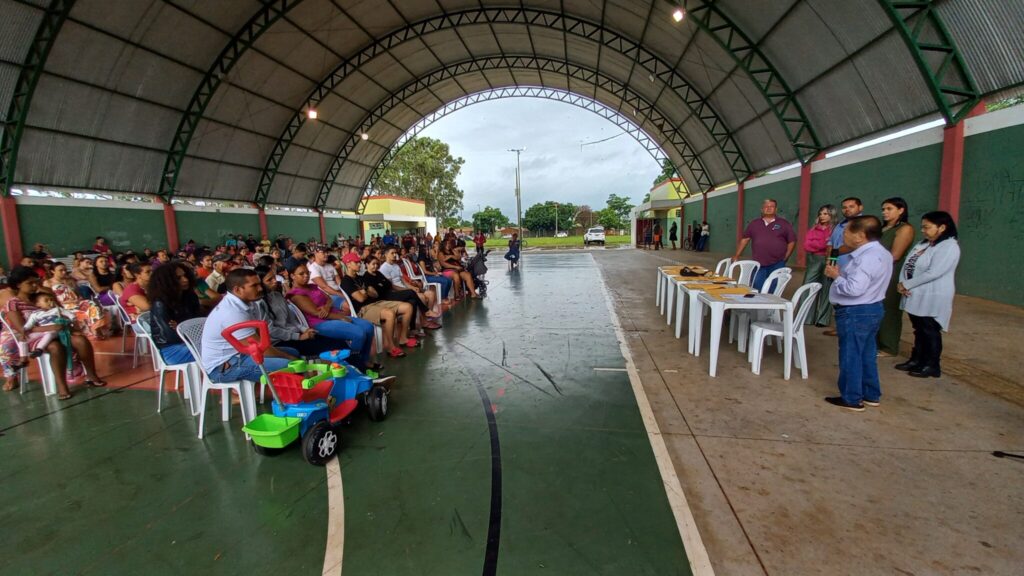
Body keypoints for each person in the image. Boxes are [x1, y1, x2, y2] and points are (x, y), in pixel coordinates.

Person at [0, 266, 107, 398]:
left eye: (36, 282)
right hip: (32, 337)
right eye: (30, 283)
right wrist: (50, 328)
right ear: (18, 285)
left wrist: (70, 327)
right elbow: (22, 328)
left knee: (81, 340)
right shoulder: (13, 303)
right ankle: (63, 386)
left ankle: (91, 375)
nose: (35, 286)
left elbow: (59, 313)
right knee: (55, 347)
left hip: (57, 332)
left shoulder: (41, 299)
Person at [822, 215, 892, 412]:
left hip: (856, 311)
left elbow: (854, 289)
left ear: (860, 235)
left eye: (846, 232)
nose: (843, 236)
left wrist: (836, 276)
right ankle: (871, 394)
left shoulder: (866, 258)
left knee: (851, 355)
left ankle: (852, 398)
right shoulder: (882, 253)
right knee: (867, 354)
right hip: (872, 308)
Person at [200, 269, 300, 385]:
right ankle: (290, 399)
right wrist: (288, 358)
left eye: (259, 284)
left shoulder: (249, 303)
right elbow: (258, 347)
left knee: (293, 352)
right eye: (254, 286)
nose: (260, 288)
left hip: (240, 355)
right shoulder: (232, 312)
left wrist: (288, 355)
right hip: (224, 368)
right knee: (289, 366)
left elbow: (259, 338)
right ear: (237, 290)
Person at [895, 211, 961, 378]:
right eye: (922, 227)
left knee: (930, 329)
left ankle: (931, 364)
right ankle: (917, 359)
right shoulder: (925, 244)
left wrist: (907, 284)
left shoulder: (949, 247)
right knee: (919, 328)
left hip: (933, 294)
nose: (923, 230)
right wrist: (902, 282)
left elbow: (934, 272)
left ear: (942, 227)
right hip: (914, 292)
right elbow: (909, 264)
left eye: (927, 227)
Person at [284, 260, 377, 367]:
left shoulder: (311, 286)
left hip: (332, 315)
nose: (306, 276)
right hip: (319, 322)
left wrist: (327, 307)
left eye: (307, 273)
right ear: (292, 276)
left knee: (368, 327)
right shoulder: (296, 294)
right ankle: (355, 365)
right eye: (301, 274)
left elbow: (329, 299)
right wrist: (340, 317)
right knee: (358, 334)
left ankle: (363, 360)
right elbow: (317, 313)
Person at [339, 253, 413, 358]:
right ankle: (390, 347)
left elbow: (375, 294)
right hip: (363, 309)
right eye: (356, 262)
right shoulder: (346, 281)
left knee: (408, 307)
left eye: (359, 262)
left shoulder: (361, 278)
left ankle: (403, 338)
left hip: (376, 302)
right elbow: (360, 299)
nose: (359, 264)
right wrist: (366, 291)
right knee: (389, 314)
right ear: (348, 264)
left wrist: (365, 292)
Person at [877, 198, 915, 357]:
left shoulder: (904, 229)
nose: (885, 212)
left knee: (889, 307)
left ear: (901, 210)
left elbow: (895, 255)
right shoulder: (883, 228)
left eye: (889, 208)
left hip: (891, 272)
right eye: (883, 209)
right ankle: (876, 341)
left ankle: (889, 345)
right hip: (877, 271)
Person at [733, 198, 796, 290]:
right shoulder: (754, 224)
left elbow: (792, 241)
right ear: (762, 209)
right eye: (766, 206)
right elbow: (745, 239)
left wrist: (786, 257)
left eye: (772, 206)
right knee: (756, 288)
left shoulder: (784, 224)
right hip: (758, 263)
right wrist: (737, 255)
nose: (769, 208)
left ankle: (772, 304)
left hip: (777, 263)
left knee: (774, 288)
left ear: (776, 209)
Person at [823, 197, 864, 336]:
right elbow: (831, 241)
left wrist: (835, 252)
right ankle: (840, 326)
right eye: (845, 207)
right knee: (838, 297)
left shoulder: (863, 224)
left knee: (851, 297)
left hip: (852, 266)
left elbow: (855, 245)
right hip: (836, 266)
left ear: (860, 207)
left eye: (851, 206)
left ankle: (851, 328)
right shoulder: (840, 224)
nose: (847, 209)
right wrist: (830, 257)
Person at [147, 262, 203, 365]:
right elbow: (172, 336)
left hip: (191, 342)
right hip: (172, 350)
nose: (185, 279)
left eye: (185, 275)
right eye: (179, 278)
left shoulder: (190, 297)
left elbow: (199, 323)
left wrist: (181, 326)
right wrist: (187, 328)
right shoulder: (160, 304)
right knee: (217, 349)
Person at [44, 262, 111, 339]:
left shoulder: (70, 281)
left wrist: (79, 298)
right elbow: (50, 299)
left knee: (91, 303)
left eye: (65, 270)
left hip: (76, 302)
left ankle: (96, 329)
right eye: (61, 270)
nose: (64, 272)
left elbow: (77, 293)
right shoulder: (48, 283)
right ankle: (95, 332)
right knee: (84, 308)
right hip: (62, 305)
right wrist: (66, 302)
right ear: (53, 271)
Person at [380, 246, 441, 330]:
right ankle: (424, 322)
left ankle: (427, 317)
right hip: (397, 292)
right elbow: (392, 286)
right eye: (392, 253)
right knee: (422, 297)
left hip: (405, 289)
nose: (394, 255)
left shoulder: (396, 266)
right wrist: (408, 290)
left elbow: (403, 281)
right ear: (386, 254)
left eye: (395, 253)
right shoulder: (384, 268)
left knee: (430, 294)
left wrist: (412, 287)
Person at [801, 205, 838, 327]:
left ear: (831, 215)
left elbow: (831, 245)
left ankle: (822, 319)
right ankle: (806, 316)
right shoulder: (813, 229)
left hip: (829, 259)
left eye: (826, 214)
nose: (822, 216)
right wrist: (823, 244)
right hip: (814, 259)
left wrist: (818, 244)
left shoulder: (835, 229)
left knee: (827, 288)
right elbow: (807, 245)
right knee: (808, 286)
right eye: (821, 213)